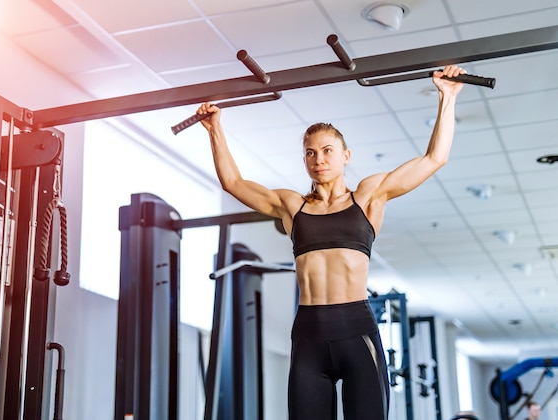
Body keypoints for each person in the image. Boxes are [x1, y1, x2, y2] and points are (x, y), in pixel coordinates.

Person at [197, 64, 466, 420]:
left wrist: (447, 97)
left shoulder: (369, 197)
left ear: (345, 156)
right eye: (310, 152)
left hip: (356, 330)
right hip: (308, 335)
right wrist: (214, 128)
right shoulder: (292, 206)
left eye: (326, 150)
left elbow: (435, 158)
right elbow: (233, 182)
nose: (318, 159)